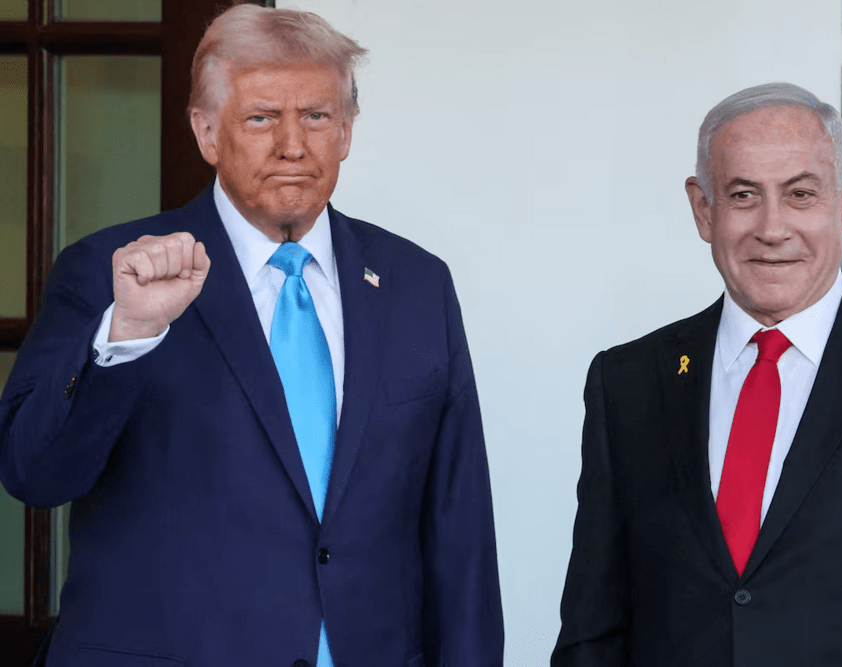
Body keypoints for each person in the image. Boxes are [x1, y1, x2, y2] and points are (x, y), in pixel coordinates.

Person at [0, 5, 503, 667]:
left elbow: (458, 530)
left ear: (347, 131)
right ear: (207, 132)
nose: (293, 145)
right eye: (262, 117)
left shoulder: (417, 285)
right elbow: (34, 472)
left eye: (317, 116)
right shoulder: (108, 272)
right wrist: (128, 332)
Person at [552, 82, 842, 666]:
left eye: (800, 194)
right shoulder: (629, 382)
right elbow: (593, 631)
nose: (772, 227)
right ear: (703, 210)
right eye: (742, 195)